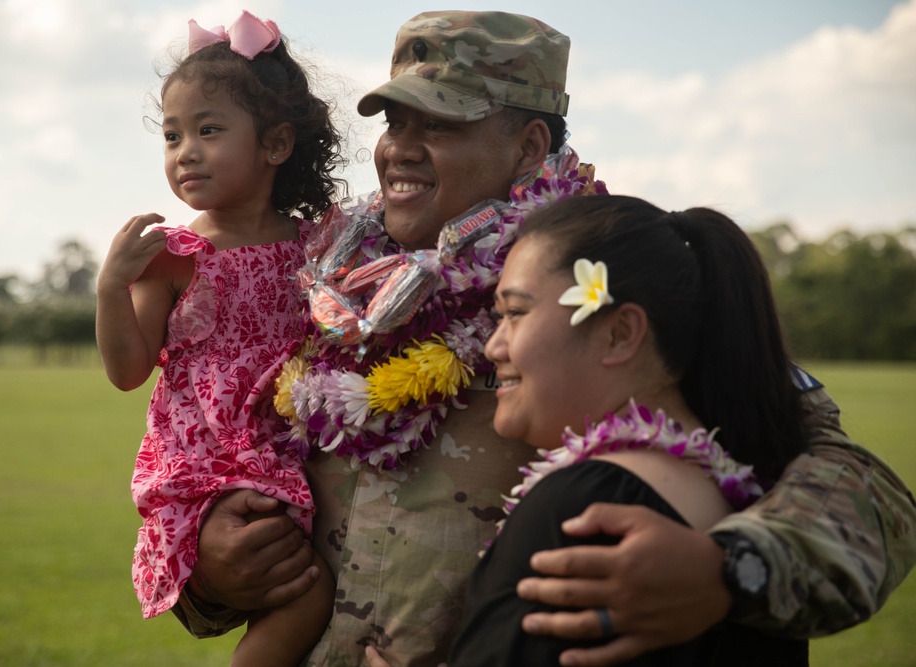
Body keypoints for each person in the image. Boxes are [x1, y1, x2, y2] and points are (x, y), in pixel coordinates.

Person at [169, 11, 916, 667]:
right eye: (395, 122)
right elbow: (222, 463)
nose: (399, 148)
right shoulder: (329, 289)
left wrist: (731, 572)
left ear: (529, 146)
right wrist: (210, 572)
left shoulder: (600, 290)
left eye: (441, 124)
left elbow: (867, 495)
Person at [444, 193, 812, 666]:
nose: (493, 346)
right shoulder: (756, 499)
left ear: (619, 334)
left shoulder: (584, 512)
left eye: (515, 313)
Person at [95, 10, 338, 667]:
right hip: (206, 461)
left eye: (208, 129)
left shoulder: (315, 247)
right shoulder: (175, 256)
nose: (186, 152)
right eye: (172, 135)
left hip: (289, 447)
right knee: (304, 592)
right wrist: (110, 289)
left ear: (276, 145)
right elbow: (127, 368)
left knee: (307, 587)